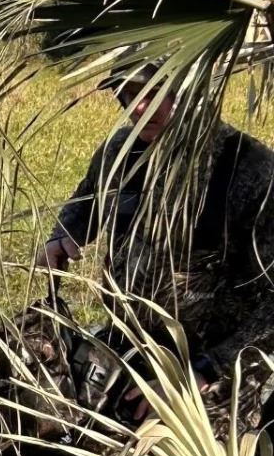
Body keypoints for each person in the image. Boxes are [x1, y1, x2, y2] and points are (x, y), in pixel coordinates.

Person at [37, 65, 274, 401]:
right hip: (127, 348)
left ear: (190, 92)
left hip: (211, 376)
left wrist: (205, 371)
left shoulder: (247, 168)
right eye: (128, 93)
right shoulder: (120, 151)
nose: (137, 107)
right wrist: (65, 234)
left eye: (152, 93)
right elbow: (89, 197)